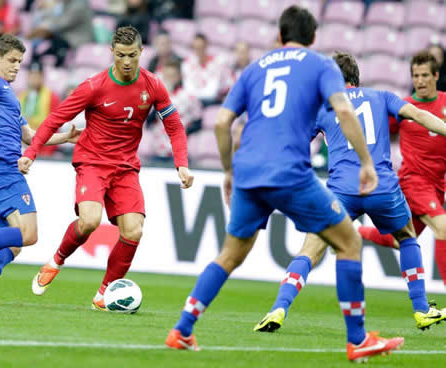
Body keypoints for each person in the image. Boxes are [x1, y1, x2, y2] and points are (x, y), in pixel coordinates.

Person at [165, 6, 403, 362]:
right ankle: (357, 339)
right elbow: (344, 111)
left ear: (279, 36)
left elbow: (221, 123)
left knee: (230, 255)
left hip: (248, 171)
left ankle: (182, 329)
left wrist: (229, 171)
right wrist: (367, 162)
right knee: (349, 240)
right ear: (314, 38)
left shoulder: (255, 68)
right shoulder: (320, 65)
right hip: (289, 172)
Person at [254, 52, 446, 337]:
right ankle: (420, 309)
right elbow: (418, 115)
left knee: (310, 249)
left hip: (342, 191)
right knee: (406, 236)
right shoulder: (382, 96)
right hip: (382, 187)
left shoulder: (324, 107)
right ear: (357, 78)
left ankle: (279, 307)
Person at [17, 26, 194, 310]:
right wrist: (31, 153)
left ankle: (103, 294)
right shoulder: (94, 86)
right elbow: (54, 119)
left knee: (134, 231)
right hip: (92, 161)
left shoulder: (153, 85)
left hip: (125, 168)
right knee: (89, 220)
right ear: (112, 52)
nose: (126, 62)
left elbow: (173, 126)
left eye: (132, 55)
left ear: (141, 52)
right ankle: (56, 261)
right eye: (121, 55)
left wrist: (181, 164)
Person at [0, 33, 80, 304]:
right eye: (11, 60)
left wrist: (65, 137)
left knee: (13, 242)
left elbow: (29, 136)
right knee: (29, 234)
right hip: (1, 168)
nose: (16, 66)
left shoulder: (8, 95)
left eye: (20, 62)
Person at [359, 51, 446, 285]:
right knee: (443, 228)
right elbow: (375, 133)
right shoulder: (404, 107)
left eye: (425, 75)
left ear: (436, 76)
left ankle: (357, 233)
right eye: (415, 75)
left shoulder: (445, 102)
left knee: (402, 239)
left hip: (437, 185)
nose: (420, 80)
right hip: (414, 181)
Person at [150, 58, 202, 161]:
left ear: (179, 77)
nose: (169, 79)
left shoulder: (188, 96)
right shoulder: (155, 96)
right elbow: (148, 121)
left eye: (172, 76)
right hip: (158, 151)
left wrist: (186, 131)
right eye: (166, 76)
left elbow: (198, 121)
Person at [27, 0, 94, 67]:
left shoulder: (79, 5)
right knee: (40, 48)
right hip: (65, 39)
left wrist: (42, 29)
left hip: (78, 40)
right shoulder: (65, 4)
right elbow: (54, 20)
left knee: (51, 44)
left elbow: (63, 23)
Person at [18, 62, 61, 157]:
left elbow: (55, 126)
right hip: (21, 146)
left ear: (42, 77)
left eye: (37, 76)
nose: (34, 79)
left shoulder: (51, 97)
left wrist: (47, 153)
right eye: (31, 75)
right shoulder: (21, 96)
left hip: (43, 149)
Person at [181, 33, 230, 107]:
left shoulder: (216, 62)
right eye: (196, 47)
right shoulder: (187, 63)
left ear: (206, 46)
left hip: (212, 101)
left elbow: (212, 92)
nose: (199, 50)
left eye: (201, 47)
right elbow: (189, 90)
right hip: (192, 102)